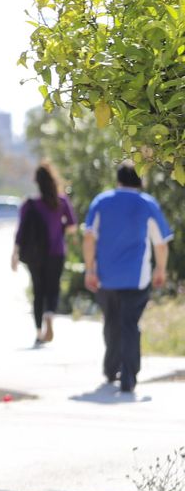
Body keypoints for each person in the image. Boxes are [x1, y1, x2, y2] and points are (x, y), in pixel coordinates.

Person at [82, 162, 172, 393]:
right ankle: (129, 375)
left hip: (106, 277)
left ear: (118, 179)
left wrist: (90, 270)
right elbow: (160, 243)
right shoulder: (147, 204)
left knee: (112, 322)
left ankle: (111, 368)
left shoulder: (101, 202)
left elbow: (89, 238)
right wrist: (160, 270)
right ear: (141, 180)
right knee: (129, 324)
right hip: (136, 277)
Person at [10, 162, 76, 345]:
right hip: (57, 252)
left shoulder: (29, 204)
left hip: (35, 255)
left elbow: (20, 232)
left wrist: (14, 254)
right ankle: (49, 314)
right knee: (52, 288)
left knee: (38, 291)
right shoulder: (61, 202)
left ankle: (39, 332)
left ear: (36, 182)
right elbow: (72, 227)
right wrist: (60, 226)